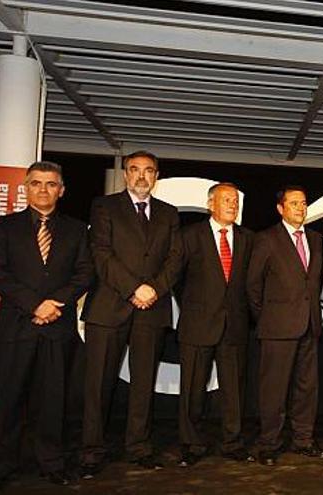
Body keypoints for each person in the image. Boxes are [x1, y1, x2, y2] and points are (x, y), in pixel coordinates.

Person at [0, 162, 94, 492]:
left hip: (57, 328)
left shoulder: (77, 230)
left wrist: (54, 303)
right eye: (36, 183)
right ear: (26, 188)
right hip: (17, 327)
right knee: (9, 400)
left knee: (52, 401)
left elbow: (85, 273)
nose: (43, 190)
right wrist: (34, 304)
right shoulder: (4, 226)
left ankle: (51, 463)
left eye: (50, 184)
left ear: (61, 190)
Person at [80, 150, 183, 474]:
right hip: (110, 306)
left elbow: (175, 258)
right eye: (135, 170)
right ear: (125, 175)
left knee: (143, 384)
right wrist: (133, 288)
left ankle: (138, 447)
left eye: (149, 171)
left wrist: (154, 289)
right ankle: (91, 452)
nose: (141, 176)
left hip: (152, 308)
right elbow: (101, 253)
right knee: (99, 385)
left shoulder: (169, 213)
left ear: (156, 176)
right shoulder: (104, 206)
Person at [176, 183, 254, 467]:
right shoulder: (189, 235)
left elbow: (249, 283)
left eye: (236, 200)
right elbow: (177, 278)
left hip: (234, 325)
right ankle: (191, 444)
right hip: (197, 324)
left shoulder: (248, 238)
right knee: (193, 388)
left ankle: (232, 442)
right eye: (226, 200)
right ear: (211, 204)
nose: (233, 205)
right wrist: (195, 305)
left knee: (233, 389)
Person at [247, 185, 323, 464]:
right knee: (274, 389)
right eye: (294, 204)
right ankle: (268, 443)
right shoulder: (266, 239)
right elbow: (253, 286)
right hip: (277, 327)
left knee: (307, 388)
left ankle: (303, 439)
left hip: (309, 326)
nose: (300, 208)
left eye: (303, 203)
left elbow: (313, 285)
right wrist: (268, 317)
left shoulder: (316, 240)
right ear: (281, 208)